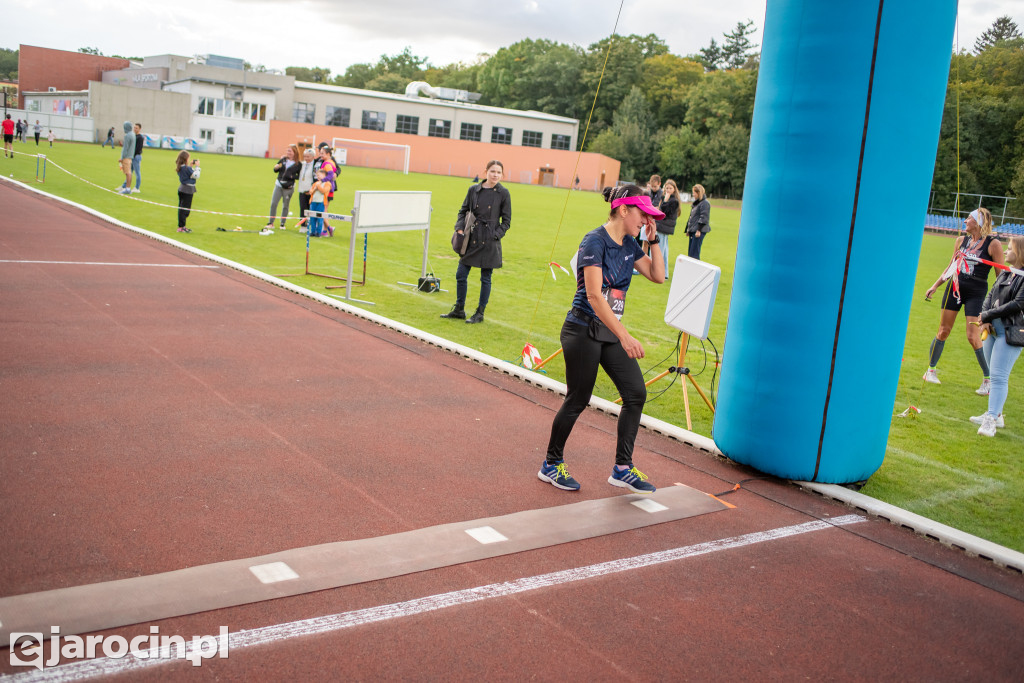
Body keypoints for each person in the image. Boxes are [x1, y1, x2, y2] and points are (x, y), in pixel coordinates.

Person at [538, 184, 667, 494]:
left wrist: (653, 240)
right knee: (578, 399)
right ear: (624, 210)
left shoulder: (631, 243)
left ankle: (622, 468)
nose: (645, 220)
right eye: (642, 214)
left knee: (635, 393)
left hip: (608, 331)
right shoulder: (594, 241)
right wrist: (625, 336)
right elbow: (595, 296)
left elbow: (658, 276)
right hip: (582, 329)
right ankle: (551, 464)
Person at [923, 208, 1004, 392]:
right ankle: (930, 371)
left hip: (976, 291)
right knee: (943, 330)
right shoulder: (961, 240)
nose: (965, 221)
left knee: (972, 335)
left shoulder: (994, 244)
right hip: (955, 287)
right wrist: (935, 286)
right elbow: (951, 266)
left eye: (969, 218)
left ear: (978, 222)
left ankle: (987, 381)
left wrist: (995, 304)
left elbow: (1001, 278)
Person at [441, 160, 512, 324]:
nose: (495, 175)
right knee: (461, 274)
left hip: (490, 241)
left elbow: (506, 221)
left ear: (502, 175)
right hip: (471, 237)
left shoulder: (504, 193)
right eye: (492, 171)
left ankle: (480, 313)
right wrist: (459, 228)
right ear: (485, 171)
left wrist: (495, 235)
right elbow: (463, 211)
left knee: (486, 278)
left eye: (499, 172)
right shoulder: (473, 190)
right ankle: (459, 309)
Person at [972, 235, 1024, 437]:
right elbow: (990, 295)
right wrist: (984, 317)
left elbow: (1017, 304)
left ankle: (991, 420)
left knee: (1000, 376)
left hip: (1010, 332)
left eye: (1009, 248)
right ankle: (996, 413)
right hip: (992, 329)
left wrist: (987, 315)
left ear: (1020, 252)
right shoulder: (1007, 273)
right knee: (993, 376)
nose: (1006, 250)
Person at [266, 144, 301, 232]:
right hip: (279, 184)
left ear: (294, 152)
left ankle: (282, 223)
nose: (288, 152)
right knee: (274, 203)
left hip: (289, 188)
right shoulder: (283, 160)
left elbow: (299, 176)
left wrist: (292, 176)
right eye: (287, 150)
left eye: (290, 151)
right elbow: (276, 170)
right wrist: (276, 167)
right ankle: (271, 223)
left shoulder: (298, 164)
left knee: (285, 205)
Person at [653, 179, 681, 273]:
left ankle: (660, 271)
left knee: (660, 250)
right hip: (662, 226)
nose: (668, 190)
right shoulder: (664, 197)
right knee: (664, 250)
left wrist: (665, 201)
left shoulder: (673, 201)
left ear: (674, 189)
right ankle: (664, 272)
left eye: (670, 188)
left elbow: (665, 213)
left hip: (664, 227)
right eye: (667, 188)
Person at [175, 151, 200, 233]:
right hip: (187, 190)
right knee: (185, 209)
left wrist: (191, 166)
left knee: (182, 208)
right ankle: (182, 227)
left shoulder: (181, 167)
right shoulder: (186, 168)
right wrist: (197, 167)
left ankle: (182, 226)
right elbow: (196, 175)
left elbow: (189, 174)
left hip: (182, 189)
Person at [685, 184, 711, 260]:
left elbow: (704, 218)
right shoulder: (696, 203)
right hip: (693, 230)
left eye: (694, 193)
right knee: (690, 253)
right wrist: (688, 230)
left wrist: (699, 230)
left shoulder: (705, 203)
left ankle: (695, 270)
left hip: (698, 231)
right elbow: (692, 217)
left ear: (698, 193)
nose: (693, 194)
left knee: (694, 254)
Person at [294, 148, 316, 232]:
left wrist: (311, 189)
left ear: (313, 157)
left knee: (310, 209)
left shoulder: (315, 165)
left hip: (310, 191)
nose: (306, 158)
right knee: (303, 208)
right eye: (305, 156)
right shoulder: (302, 164)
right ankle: (303, 226)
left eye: (308, 157)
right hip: (302, 190)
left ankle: (311, 226)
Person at [307, 167, 330, 238]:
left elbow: (323, 191)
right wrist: (315, 188)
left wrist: (318, 186)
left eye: (319, 175)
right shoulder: (315, 184)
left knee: (320, 218)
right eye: (317, 175)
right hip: (313, 202)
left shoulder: (327, 184)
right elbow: (310, 192)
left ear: (324, 176)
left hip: (321, 203)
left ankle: (318, 232)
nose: (318, 177)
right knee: (312, 218)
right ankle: (313, 231)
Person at [117, 121, 135, 194]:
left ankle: (127, 188)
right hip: (130, 156)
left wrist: (122, 158)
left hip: (126, 157)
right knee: (129, 172)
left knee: (128, 173)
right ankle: (127, 188)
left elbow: (125, 148)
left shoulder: (127, 136)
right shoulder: (133, 134)